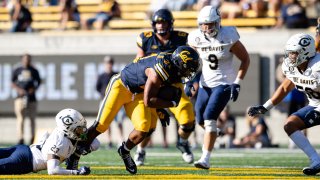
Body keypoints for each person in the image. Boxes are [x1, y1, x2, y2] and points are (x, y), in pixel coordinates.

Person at [247, 33, 320, 175]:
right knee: (290, 125)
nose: (291, 56)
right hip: (315, 103)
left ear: (306, 52)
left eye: (294, 53)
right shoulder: (292, 67)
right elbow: (285, 87)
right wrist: (265, 107)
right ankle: (316, 160)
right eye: (290, 53)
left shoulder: (317, 67)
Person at [187, 5, 250, 169]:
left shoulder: (228, 35)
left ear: (218, 22)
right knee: (199, 118)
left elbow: (245, 59)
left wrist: (237, 82)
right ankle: (216, 132)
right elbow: (190, 61)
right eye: (203, 24)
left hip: (224, 83)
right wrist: (188, 80)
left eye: (210, 24)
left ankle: (205, 159)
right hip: (205, 83)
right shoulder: (195, 38)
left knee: (209, 117)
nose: (207, 28)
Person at [134, 9, 196, 166]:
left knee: (188, 118)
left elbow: (191, 62)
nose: (161, 25)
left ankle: (183, 142)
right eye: (158, 22)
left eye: (164, 22)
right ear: (154, 24)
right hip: (152, 86)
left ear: (170, 24)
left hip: (174, 85)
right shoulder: (145, 39)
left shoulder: (182, 39)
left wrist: (190, 81)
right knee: (148, 125)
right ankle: (140, 150)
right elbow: (138, 62)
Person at [0, 108, 99, 175]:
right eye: (79, 129)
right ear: (68, 130)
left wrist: (81, 150)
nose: (83, 131)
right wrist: (76, 172)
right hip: (25, 161)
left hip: (25, 150)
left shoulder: (67, 133)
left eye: (82, 127)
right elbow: (52, 170)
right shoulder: (60, 142)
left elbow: (96, 143)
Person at [12, 54, 41, 145]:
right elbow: (12, 82)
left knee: (32, 119)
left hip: (32, 98)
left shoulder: (34, 70)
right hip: (20, 98)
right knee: (20, 118)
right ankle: (20, 138)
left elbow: (39, 82)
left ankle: (33, 138)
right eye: (25, 59)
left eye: (28, 59)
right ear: (22, 60)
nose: (26, 61)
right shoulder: (17, 70)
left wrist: (34, 89)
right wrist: (19, 90)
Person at [96, 56, 125, 148]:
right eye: (107, 63)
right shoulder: (101, 76)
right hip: (105, 101)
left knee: (119, 121)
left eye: (110, 63)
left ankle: (121, 139)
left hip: (117, 102)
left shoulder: (116, 75)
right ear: (105, 64)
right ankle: (109, 141)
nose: (109, 65)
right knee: (106, 122)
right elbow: (97, 88)